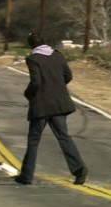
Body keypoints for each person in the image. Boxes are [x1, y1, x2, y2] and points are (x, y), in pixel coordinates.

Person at [15, 32, 88, 185]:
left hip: (41, 106)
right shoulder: (58, 56)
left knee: (33, 140)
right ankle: (79, 170)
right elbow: (68, 75)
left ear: (31, 45)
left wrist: (28, 94)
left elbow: (35, 82)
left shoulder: (33, 59)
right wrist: (57, 87)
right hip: (59, 104)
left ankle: (26, 176)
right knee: (63, 137)